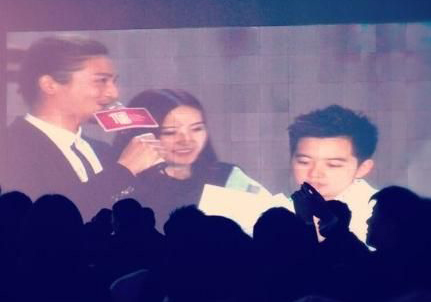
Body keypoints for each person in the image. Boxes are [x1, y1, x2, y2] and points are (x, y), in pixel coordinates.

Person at [3, 36, 162, 220]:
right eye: (101, 81)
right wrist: (124, 170)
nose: (113, 93)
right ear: (49, 85)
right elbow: (48, 220)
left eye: (114, 82)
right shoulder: (9, 149)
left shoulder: (104, 151)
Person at [113, 89, 268, 232]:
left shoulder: (227, 176)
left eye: (196, 129)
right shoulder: (127, 189)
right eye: (170, 132)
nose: (186, 140)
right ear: (142, 136)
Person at [276, 104, 378, 243]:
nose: (315, 173)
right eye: (304, 162)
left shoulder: (377, 215)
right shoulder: (275, 208)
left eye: (333, 165)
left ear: (363, 168)